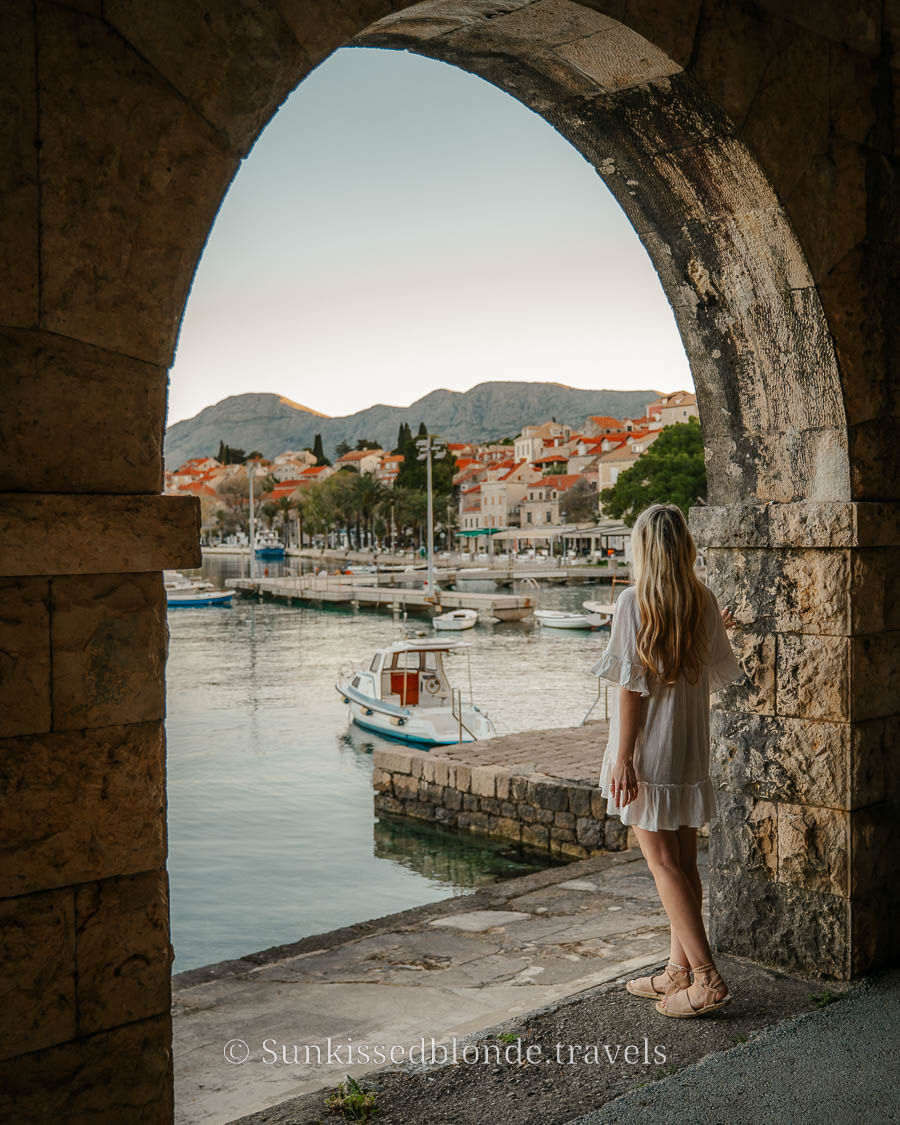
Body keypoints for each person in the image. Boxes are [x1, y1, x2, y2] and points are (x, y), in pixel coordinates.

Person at [592, 503, 742, 1018]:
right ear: (684, 547)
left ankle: (707, 979)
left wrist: (624, 758)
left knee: (662, 865)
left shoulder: (634, 601)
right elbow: (713, 672)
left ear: (644, 549)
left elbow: (630, 688)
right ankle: (678, 971)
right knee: (683, 862)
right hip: (688, 748)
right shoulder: (703, 600)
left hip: (650, 751)